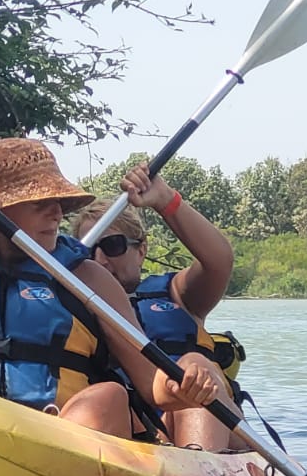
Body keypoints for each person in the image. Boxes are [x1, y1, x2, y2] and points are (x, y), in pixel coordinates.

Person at [0, 138, 220, 439]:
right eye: (40, 202)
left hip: (60, 442)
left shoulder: (88, 278)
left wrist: (183, 382)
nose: (56, 214)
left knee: (109, 397)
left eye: (59, 203)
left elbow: (152, 383)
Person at [73, 162, 237, 450]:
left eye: (113, 246)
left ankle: (199, 464)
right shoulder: (72, 304)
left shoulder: (177, 294)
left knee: (194, 365)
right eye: (88, 251)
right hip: (132, 430)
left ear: (142, 250)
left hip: (198, 418)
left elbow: (219, 261)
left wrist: (165, 200)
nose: (99, 259)